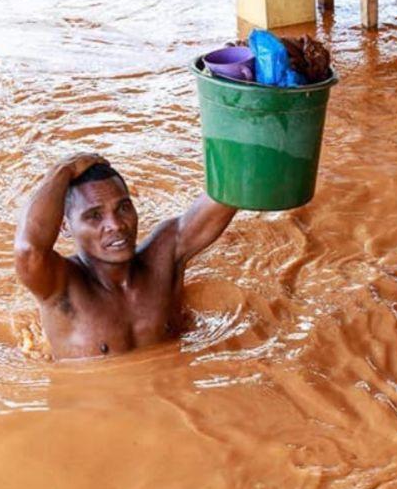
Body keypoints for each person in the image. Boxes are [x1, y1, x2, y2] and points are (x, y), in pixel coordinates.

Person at [14, 153, 239, 359]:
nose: (116, 224)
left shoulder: (165, 256)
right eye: (94, 216)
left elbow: (231, 189)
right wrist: (63, 169)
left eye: (123, 208)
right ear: (64, 227)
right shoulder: (58, 287)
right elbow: (28, 249)